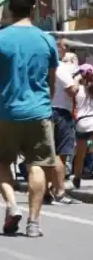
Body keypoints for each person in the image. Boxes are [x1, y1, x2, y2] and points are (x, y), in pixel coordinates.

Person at [0, 0, 58, 238]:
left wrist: (5, 77)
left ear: (9, 9)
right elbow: (52, 81)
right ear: (33, 9)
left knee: (1, 161)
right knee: (38, 165)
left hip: (7, 113)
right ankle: (34, 223)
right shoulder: (47, 40)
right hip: (39, 112)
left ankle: (12, 205)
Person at [48, 42, 81, 204]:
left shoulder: (45, 68)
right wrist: (78, 81)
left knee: (49, 154)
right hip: (61, 113)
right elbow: (71, 90)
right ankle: (60, 191)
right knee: (61, 154)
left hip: (47, 111)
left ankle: (50, 190)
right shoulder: (60, 68)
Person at [72, 64, 93, 190]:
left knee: (80, 155)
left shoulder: (78, 90)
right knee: (91, 147)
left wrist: (77, 76)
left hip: (82, 124)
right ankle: (91, 148)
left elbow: (72, 86)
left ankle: (77, 177)